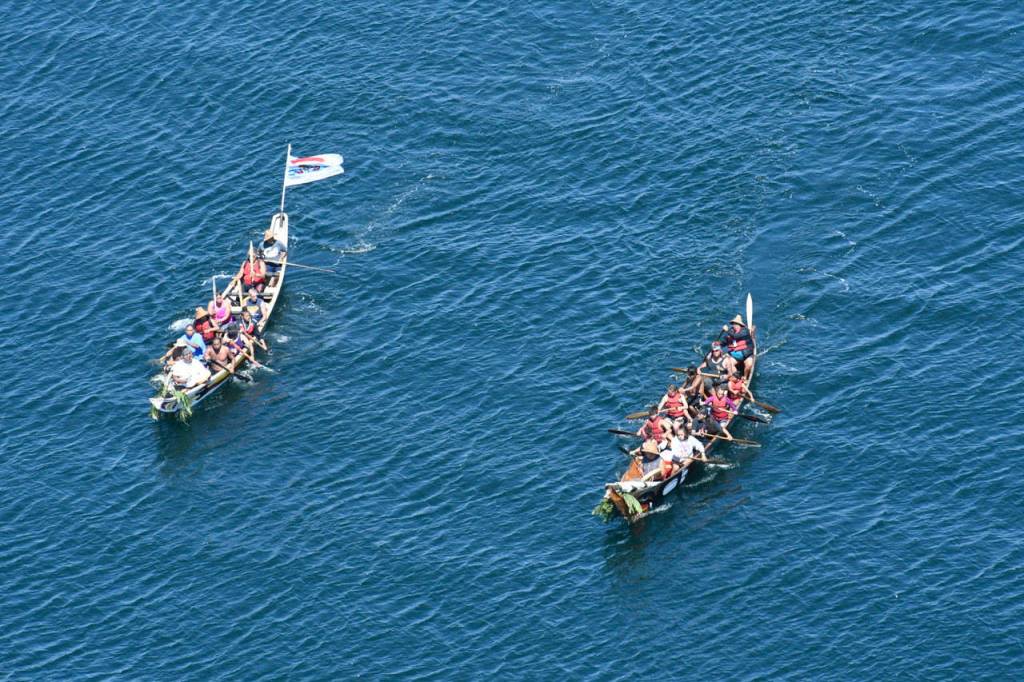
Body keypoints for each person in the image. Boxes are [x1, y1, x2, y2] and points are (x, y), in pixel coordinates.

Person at [721, 315, 754, 379]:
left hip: (746, 354)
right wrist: (718, 344)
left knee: (749, 365)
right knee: (729, 364)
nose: (734, 325)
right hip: (735, 355)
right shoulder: (731, 331)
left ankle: (745, 377)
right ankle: (737, 378)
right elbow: (724, 342)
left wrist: (727, 331)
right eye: (733, 324)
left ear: (740, 325)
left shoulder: (745, 331)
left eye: (736, 324)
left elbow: (736, 336)